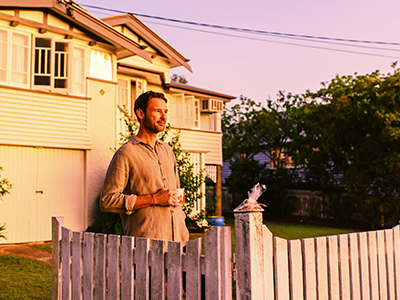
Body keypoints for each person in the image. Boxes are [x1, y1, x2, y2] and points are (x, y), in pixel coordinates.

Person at [100, 91, 189, 242]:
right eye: (157, 111)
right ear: (140, 113)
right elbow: (108, 201)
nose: (164, 117)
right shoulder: (126, 153)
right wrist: (154, 199)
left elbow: (177, 195)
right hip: (147, 248)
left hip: (179, 243)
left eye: (165, 112)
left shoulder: (168, 151)